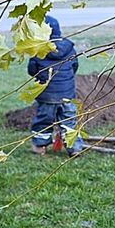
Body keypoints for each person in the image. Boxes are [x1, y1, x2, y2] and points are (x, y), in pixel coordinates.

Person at [27, 15, 84, 156]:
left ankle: (40, 147)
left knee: (43, 121)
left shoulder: (38, 49)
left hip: (46, 94)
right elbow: (74, 66)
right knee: (69, 122)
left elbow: (32, 70)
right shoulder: (69, 49)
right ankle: (74, 148)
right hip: (67, 94)